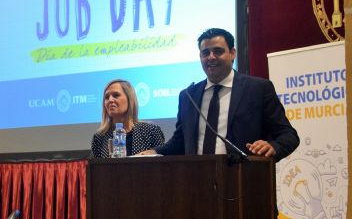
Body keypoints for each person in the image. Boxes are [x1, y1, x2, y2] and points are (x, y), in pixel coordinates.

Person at [140, 28, 299, 160]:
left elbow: (288, 135)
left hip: (243, 180)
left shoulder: (258, 89)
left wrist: (273, 147)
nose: (211, 57)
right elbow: (180, 141)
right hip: (195, 182)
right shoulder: (188, 96)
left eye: (218, 51)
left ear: (233, 53)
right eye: (205, 53)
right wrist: (154, 152)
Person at [90, 79, 165, 158]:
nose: (110, 100)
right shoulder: (99, 137)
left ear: (129, 99)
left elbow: (162, 165)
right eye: (106, 97)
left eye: (116, 95)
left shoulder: (150, 131)